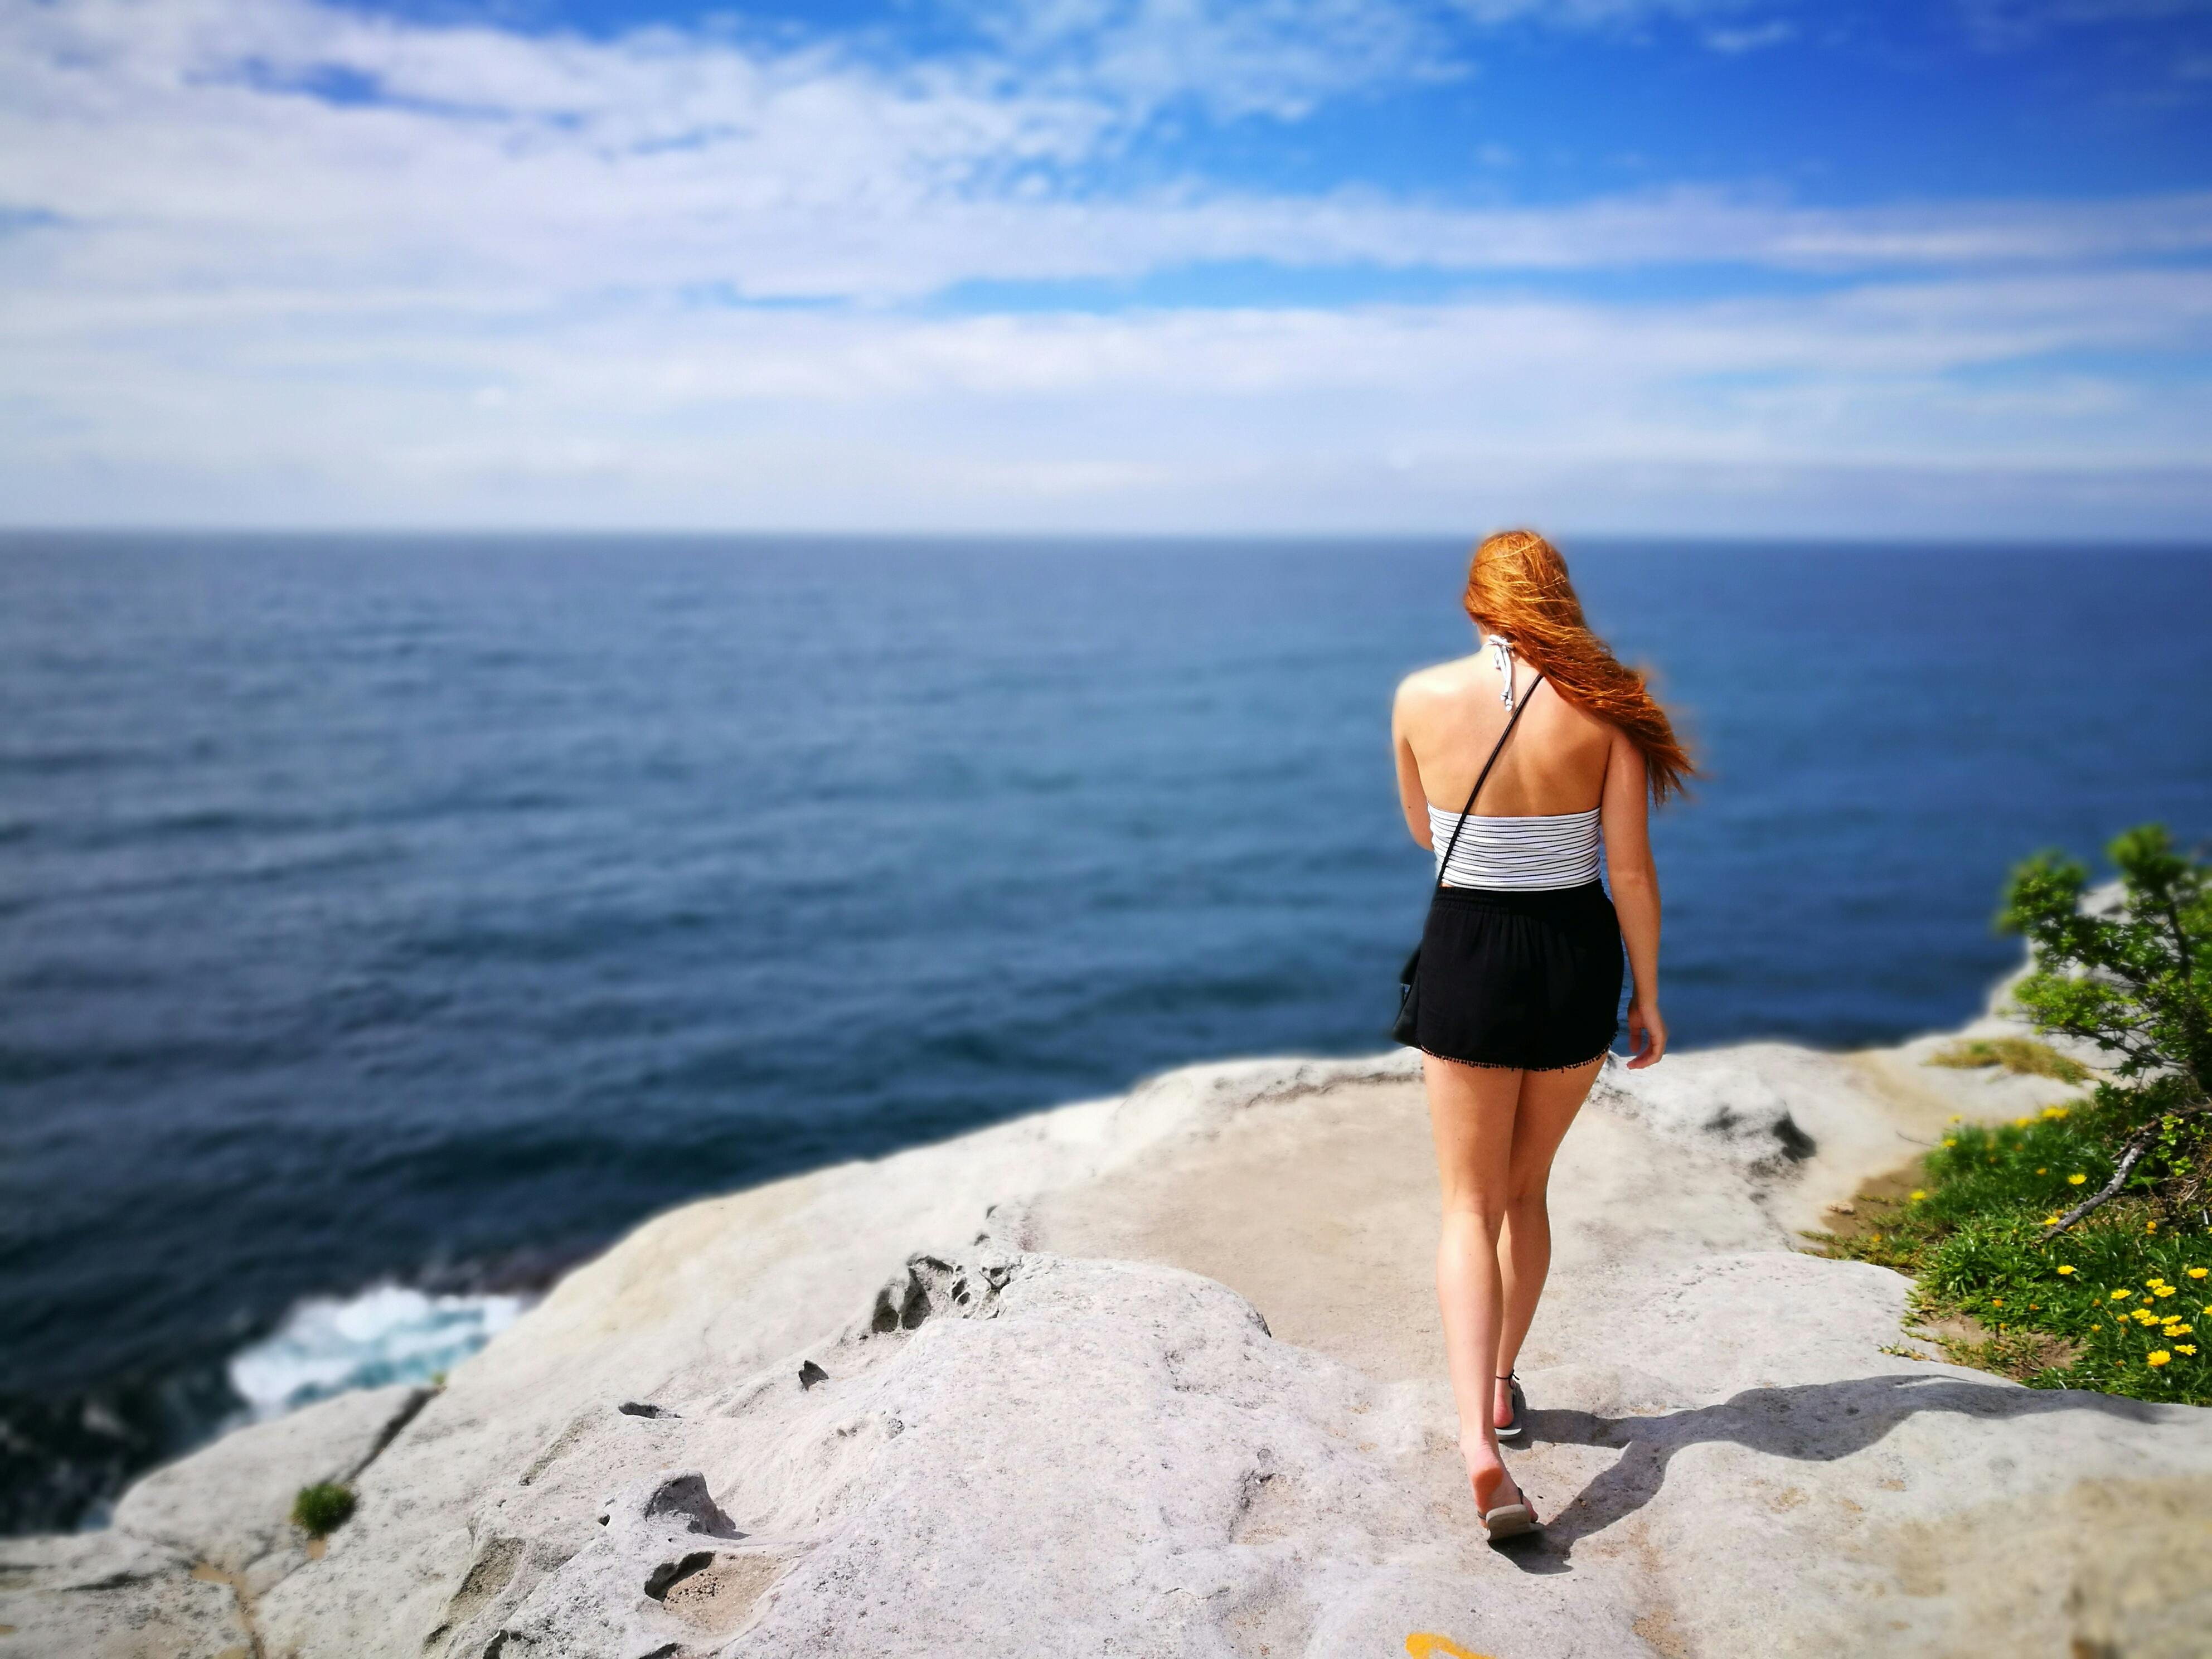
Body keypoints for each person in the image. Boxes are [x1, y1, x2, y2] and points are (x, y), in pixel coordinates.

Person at [1389, 528, 1693, 1540]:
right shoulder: (1606, 708)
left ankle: (1479, 1442)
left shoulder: (1419, 700)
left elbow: (1428, 834)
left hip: (1469, 947)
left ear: (1476, 605)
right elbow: (1632, 872)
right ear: (1556, 600)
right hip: (1573, 954)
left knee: (1466, 1205)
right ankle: (1509, 1380)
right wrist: (1647, 997)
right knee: (1525, 1191)